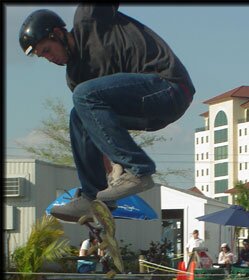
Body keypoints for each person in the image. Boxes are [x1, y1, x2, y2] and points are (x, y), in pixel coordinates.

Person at [19, 5, 195, 223]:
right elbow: (96, 127)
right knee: (78, 115)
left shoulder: (89, 18)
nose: (49, 58)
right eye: (42, 57)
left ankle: (138, 170)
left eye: (47, 50)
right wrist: (110, 171)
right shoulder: (75, 76)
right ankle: (94, 199)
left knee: (84, 95)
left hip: (168, 87)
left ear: (57, 33)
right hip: (149, 113)